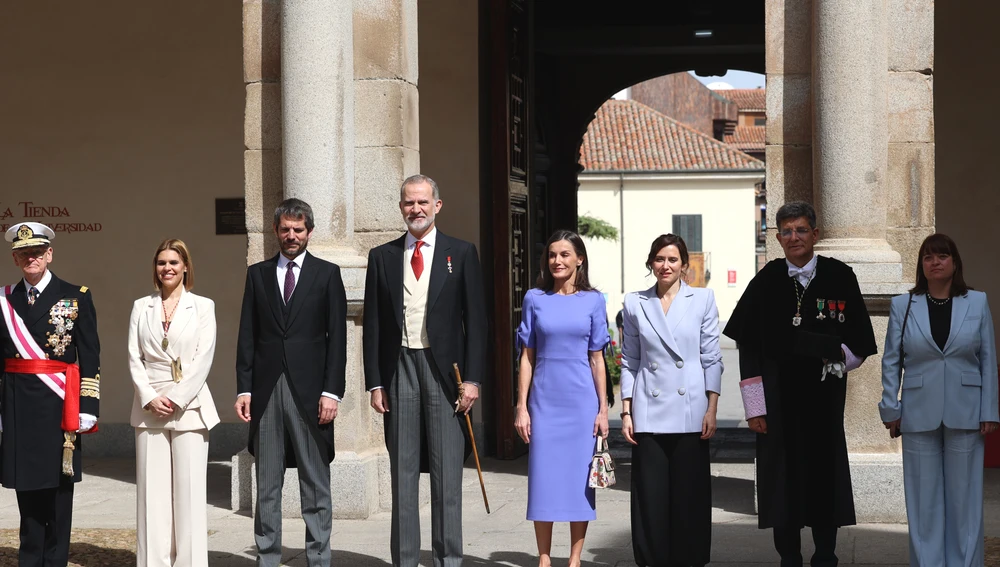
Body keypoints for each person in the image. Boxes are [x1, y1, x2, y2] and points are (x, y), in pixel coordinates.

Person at [722, 201, 878, 567]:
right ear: (777, 238)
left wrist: (838, 358)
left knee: (824, 480)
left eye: (801, 230)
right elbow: (748, 351)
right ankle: (788, 557)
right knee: (781, 484)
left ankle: (826, 555)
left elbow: (862, 341)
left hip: (822, 401)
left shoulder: (841, 275)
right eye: (787, 232)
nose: (794, 237)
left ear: (815, 234)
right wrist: (755, 408)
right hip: (776, 405)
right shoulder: (765, 280)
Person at [363, 174, 487, 567]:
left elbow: (478, 323)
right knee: (403, 475)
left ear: (437, 205)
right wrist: (376, 382)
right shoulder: (381, 256)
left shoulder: (461, 253)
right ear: (401, 207)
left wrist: (472, 379)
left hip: (444, 372)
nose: (415, 209)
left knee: (446, 475)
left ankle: (448, 559)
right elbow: (374, 324)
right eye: (408, 203)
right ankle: (404, 560)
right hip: (398, 369)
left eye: (422, 202)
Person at [235, 199, 348, 567]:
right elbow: (247, 337)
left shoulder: (327, 274)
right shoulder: (257, 275)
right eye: (285, 229)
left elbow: (338, 339)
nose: (291, 235)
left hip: (312, 394)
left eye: (298, 229)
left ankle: (319, 558)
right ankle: (267, 558)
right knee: (267, 486)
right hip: (267, 392)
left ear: (309, 232)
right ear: (275, 231)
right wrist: (245, 388)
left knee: (315, 485)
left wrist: (332, 391)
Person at [879, 233, 998, 566]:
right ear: (921, 264)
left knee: (965, 500)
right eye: (928, 257)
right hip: (918, 412)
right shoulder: (903, 305)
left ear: (955, 262)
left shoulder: (977, 302)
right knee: (923, 500)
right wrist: (891, 406)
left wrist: (989, 410)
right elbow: (891, 360)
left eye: (942, 256)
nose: (935, 262)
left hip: (967, 411)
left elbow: (987, 359)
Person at [0, 221, 101, 566]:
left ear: (49, 254)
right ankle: (30, 559)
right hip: (16, 408)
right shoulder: (4, 300)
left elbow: (90, 357)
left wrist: (89, 406)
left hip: (60, 407)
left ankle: (55, 560)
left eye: (37, 252)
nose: (31, 258)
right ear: (15, 258)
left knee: (59, 492)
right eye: (24, 253)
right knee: (27, 495)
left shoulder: (76, 297)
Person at [619, 234, 723, 567]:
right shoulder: (635, 302)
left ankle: (689, 559)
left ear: (683, 265)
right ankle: (651, 559)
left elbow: (711, 357)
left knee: (689, 494)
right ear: (651, 263)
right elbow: (629, 360)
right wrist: (625, 410)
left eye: (673, 260)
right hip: (648, 410)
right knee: (650, 495)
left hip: (691, 408)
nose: (666, 265)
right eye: (660, 259)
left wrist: (712, 408)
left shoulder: (703, 299)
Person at [514, 229, 610, 567]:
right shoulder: (534, 298)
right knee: (543, 478)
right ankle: (543, 558)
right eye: (552, 255)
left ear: (579, 259)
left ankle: (574, 558)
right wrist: (521, 406)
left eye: (565, 254)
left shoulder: (595, 301)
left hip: (581, 402)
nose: (557, 260)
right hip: (543, 400)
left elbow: (598, 357)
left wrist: (603, 408)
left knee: (578, 482)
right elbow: (526, 356)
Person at [128, 239, 219, 567]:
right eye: (161, 262)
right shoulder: (142, 306)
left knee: (189, 494)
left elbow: (203, 358)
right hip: (149, 406)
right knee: (152, 496)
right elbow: (133, 357)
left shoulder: (203, 306)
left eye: (173, 262)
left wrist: (177, 398)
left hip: (189, 407)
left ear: (185, 267)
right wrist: (150, 396)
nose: (167, 268)